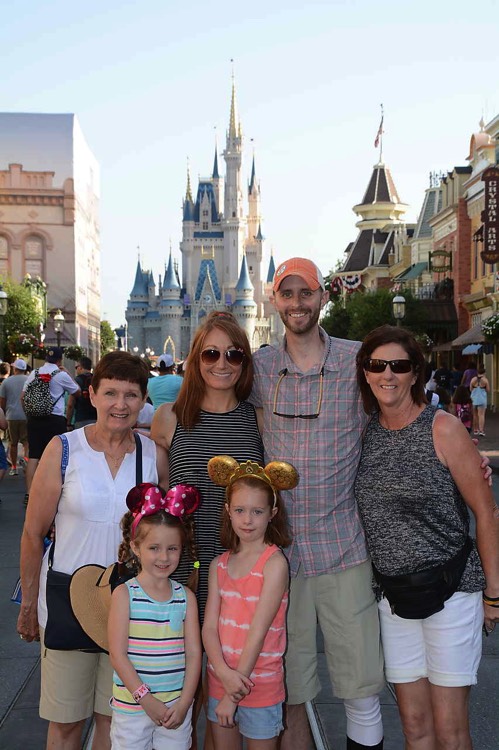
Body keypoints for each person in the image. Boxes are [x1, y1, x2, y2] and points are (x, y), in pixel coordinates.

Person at [250, 258, 384, 750]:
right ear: (274, 300)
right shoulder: (261, 365)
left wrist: (453, 453)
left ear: (322, 296)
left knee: (362, 686)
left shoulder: (356, 360)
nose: (296, 304)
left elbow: (399, 409)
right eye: (287, 295)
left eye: (305, 293)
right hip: (281, 557)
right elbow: (212, 406)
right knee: (291, 691)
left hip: (343, 549)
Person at [354, 325, 499, 749]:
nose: (388, 375)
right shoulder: (363, 433)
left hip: (451, 593)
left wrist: (494, 593)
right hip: (394, 599)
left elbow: (486, 512)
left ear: (416, 373)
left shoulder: (443, 429)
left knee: (451, 730)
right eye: (377, 365)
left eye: (399, 366)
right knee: (414, 725)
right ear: (365, 372)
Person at [17, 351, 169, 750]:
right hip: (68, 601)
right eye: (111, 393)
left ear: (143, 400)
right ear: (92, 395)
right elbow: (33, 534)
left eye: (131, 395)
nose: (121, 405)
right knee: (66, 724)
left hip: (130, 606)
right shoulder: (64, 449)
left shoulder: (153, 456)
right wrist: (29, 605)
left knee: (115, 720)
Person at [151, 312, 263, 620]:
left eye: (234, 355)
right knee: (181, 660)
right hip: (183, 563)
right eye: (211, 353)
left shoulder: (258, 420)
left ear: (245, 362)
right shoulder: (168, 418)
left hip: (241, 564)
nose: (222, 364)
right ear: (196, 359)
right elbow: (159, 492)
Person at [202, 456, 295, 750]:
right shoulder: (218, 565)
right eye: (240, 510)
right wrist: (223, 676)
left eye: (257, 511)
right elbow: (208, 629)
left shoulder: (274, 563)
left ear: (272, 513)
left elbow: (258, 631)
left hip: (261, 684)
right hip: (221, 679)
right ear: (228, 511)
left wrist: (234, 693)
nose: (247, 519)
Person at [108, 482, 202, 750]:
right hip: (132, 708)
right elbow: (118, 654)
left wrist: (185, 703)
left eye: (172, 548)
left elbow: (194, 654)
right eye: (154, 548)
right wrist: (145, 699)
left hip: (176, 710)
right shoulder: (125, 595)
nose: (164, 557)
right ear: (136, 547)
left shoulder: (186, 598)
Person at [21, 346, 80, 506]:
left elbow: (23, 396)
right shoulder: (61, 375)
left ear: (46, 358)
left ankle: (29, 494)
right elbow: (77, 392)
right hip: (55, 420)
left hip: (35, 419)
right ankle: (56, 492)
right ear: (60, 360)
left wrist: (30, 414)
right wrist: (67, 373)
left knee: (34, 456)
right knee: (58, 456)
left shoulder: (34, 373)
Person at [0, 357, 29, 475]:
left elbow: (2, 401)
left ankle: (13, 467)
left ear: (15, 368)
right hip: (26, 415)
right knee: (27, 442)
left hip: (11, 415)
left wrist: (4, 412)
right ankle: (26, 462)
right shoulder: (28, 380)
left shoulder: (7, 382)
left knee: (13, 443)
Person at [66, 356, 98, 429]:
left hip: (81, 419)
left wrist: (68, 423)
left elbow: (70, 404)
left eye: (76, 367)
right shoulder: (96, 380)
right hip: (96, 419)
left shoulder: (77, 381)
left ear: (80, 367)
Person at [470, 364, 490, 437]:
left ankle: (475, 429)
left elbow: (470, 389)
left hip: (474, 399)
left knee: (475, 415)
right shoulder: (485, 380)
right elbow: (488, 390)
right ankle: (481, 430)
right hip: (482, 399)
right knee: (481, 415)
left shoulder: (473, 379)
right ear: (484, 373)